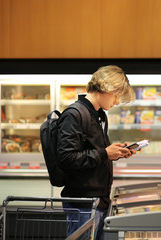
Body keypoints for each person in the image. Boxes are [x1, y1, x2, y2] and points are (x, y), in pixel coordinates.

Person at [57, 65, 136, 239]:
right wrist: (105, 153)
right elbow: (66, 158)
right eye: (116, 96)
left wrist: (118, 152)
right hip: (82, 204)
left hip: (98, 201)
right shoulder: (75, 114)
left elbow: (98, 152)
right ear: (107, 88)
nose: (116, 102)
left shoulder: (99, 115)